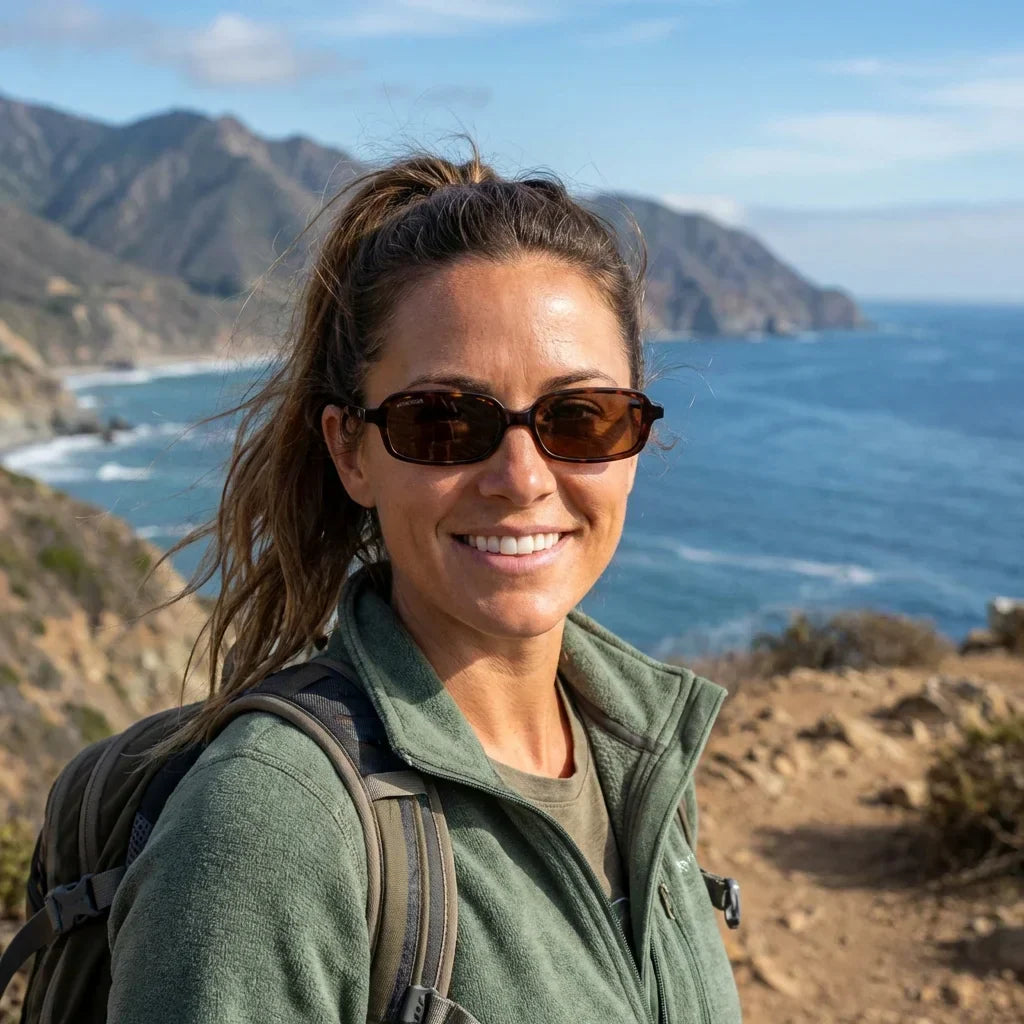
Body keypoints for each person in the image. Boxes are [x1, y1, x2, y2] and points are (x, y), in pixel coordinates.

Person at [106, 150, 743, 1023]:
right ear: (350, 450)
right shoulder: (275, 828)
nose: (521, 478)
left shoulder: (636, 752)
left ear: (635, 435)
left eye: (581, 417)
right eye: (444, 421)